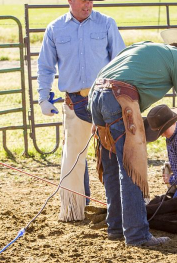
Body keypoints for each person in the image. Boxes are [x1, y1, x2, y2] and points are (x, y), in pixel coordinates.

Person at [89, 29, 177, 246]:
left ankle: (115, 227)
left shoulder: (142, 46)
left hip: (98, 96)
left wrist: (96, 116)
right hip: (119, 99)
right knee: (132, 167)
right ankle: (137, 235)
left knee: (112, 166)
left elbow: (105, 73)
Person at [36, 0, 125, 222]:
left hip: (105, 99)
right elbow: (45, 66)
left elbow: (121, 60)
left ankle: (120, 209)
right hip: (74, 102)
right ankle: (73, 211)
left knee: (113, 154)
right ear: (70, 1)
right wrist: (43, 98)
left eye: (90, 0)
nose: (88, 4)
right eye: (83, 0)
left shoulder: (106, 24)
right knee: (73, 158)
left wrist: (122, 97)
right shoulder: (55, 29)